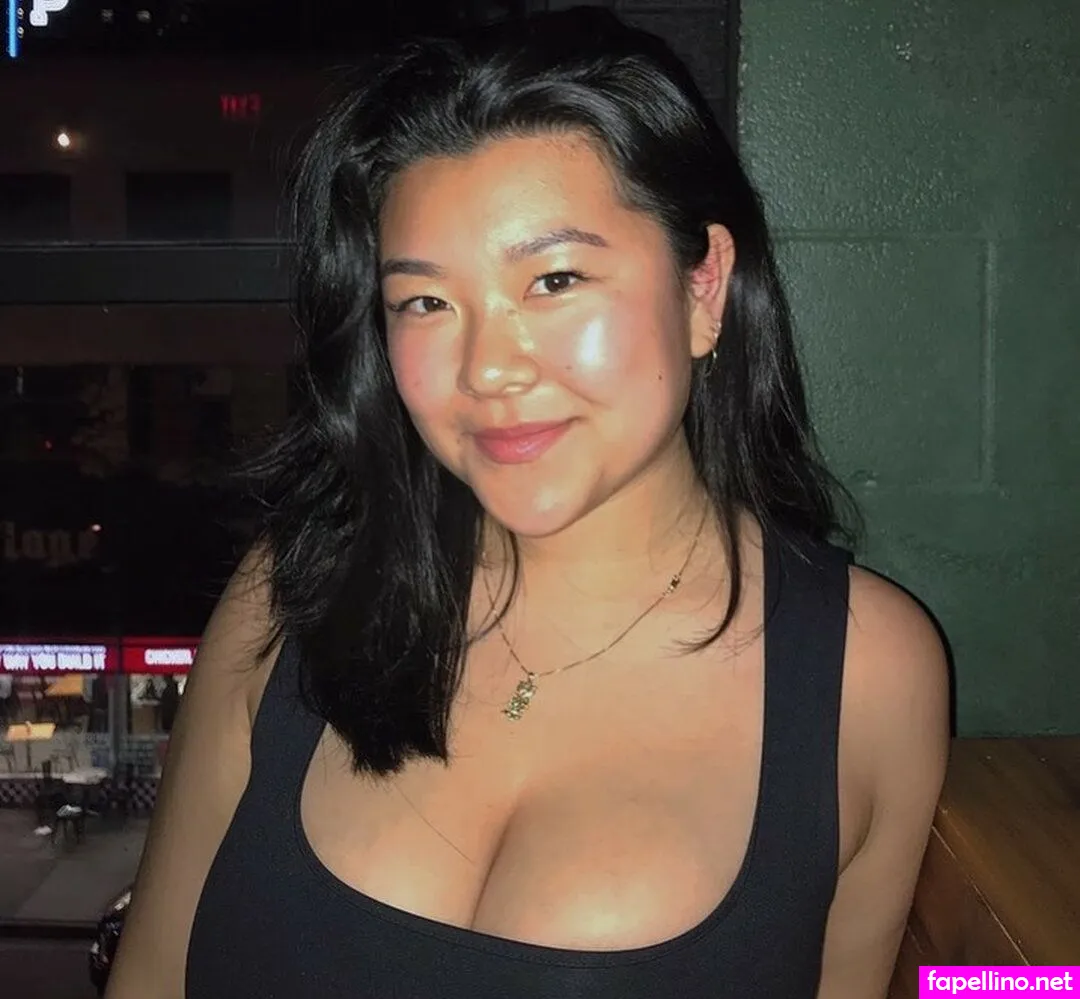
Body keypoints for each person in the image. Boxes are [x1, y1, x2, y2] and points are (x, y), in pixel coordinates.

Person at [106, 9, 949, 998]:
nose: (488, 368)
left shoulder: (866, 673)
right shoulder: (290, 594)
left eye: (554, 279)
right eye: (425, 302)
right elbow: (151, 974)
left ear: (704, 288)